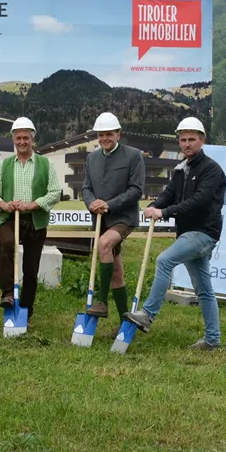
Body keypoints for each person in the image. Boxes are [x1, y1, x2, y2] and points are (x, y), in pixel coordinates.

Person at [124, 117, 226, 350]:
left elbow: (199, 201)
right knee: (204, 290)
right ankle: (212, 340)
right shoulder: (181, 169)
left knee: (164, 260)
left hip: (204, 233)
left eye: (192, 139)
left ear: (202, 140)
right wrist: (154, 206)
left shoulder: (211, 169)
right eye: (183, 140)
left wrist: (164, 212)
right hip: (187, 233)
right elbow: (169, 194)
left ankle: (147, 315)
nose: (187, 144)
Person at [0, 116, 62, 326]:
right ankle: (8, 293)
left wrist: (32, 205)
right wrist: (3, 204)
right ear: (13, 140)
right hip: (11, 218)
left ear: (32, 139)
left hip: (35, 220)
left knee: (30, 268)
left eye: (25, 138)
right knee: (5, 244)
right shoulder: (5, 165)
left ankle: (26, 311)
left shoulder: (45, 164)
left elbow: (55, 192)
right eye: (18, 138)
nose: (22, 142)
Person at [80, 112, 146, 326]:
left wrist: (109, 204)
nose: (104, 138)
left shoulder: (133, 155)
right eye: (101, 135)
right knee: (116, 272)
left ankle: (101, 301)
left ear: (118, 134)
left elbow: (136, 190)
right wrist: (92, 203)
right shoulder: (92, 158)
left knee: (105, 243)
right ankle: (124, 323)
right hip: (100, 219)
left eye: (109, 134)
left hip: (123, 217)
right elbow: (86, 188)